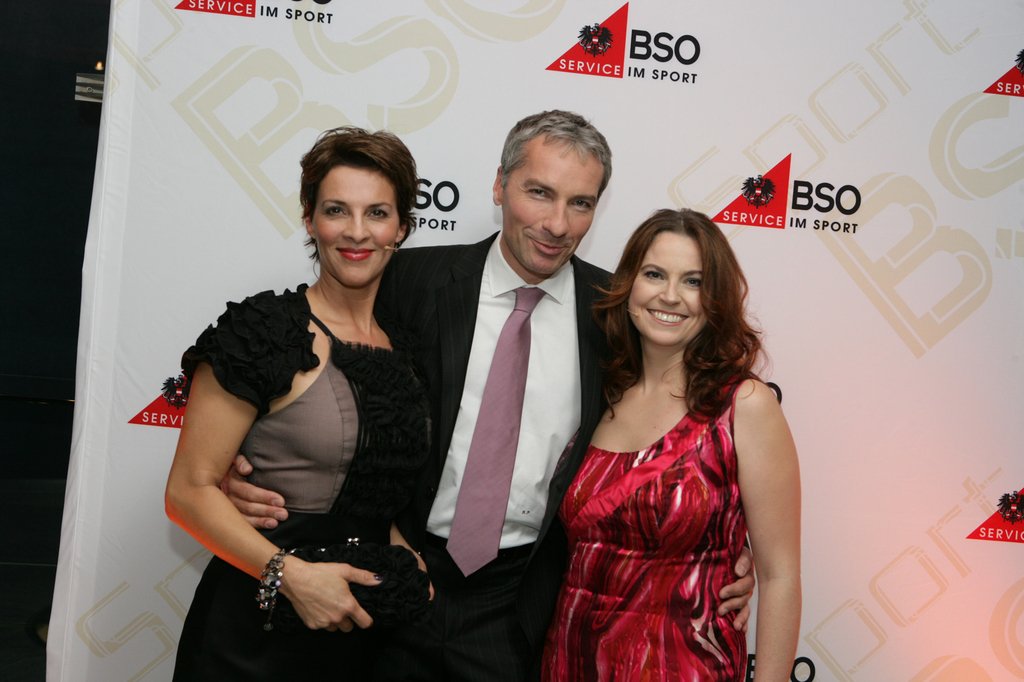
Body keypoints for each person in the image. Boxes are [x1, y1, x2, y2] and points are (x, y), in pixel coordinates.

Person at [224, 111, 756, 681]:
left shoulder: (617, 311)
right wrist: (247, 465)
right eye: (539, 192)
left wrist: (722, 546)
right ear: (500, 185)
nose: (557, 223)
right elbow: (318, 371)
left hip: (522, 603)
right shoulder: (407, 279)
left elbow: (685, 422)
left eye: (580, 203)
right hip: (391, 576)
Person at [164, 126, 431, 679]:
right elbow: (187, 492)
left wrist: (405, 556)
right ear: (310, 219)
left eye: (377, 213)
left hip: (362, 637)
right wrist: (293, 576)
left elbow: (375, 491)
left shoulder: (405, 348)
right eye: (336, 210)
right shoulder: (264, 331)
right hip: (253, 639)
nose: (356, 231)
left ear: (402, 227)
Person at [542, 208, 801, 681]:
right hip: (570, 659)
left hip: (685, 666)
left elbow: (780, 575)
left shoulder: (743, 405)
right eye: (654, 274)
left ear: (716, 298)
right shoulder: (598, 393)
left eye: (693, 281)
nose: (669, 295)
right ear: (629, 284)